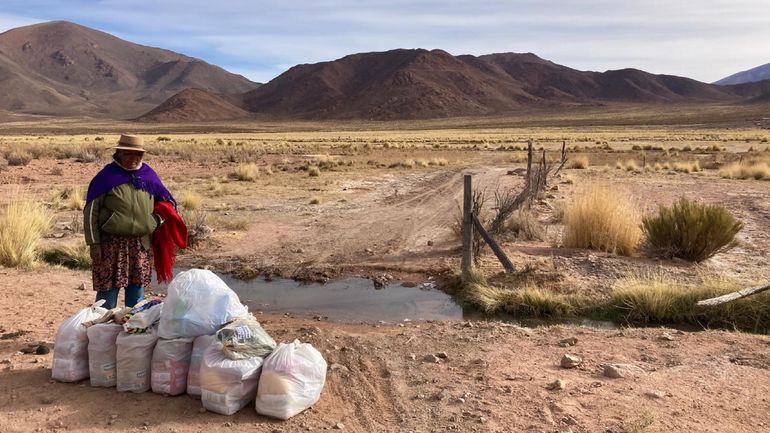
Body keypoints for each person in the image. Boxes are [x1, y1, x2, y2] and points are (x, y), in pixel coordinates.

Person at [83, 134, 177, 309]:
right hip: (110, 244)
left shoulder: (148, 176)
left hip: (140, 244)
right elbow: (90, 213)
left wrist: (155, 220)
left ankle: (133, 331)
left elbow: (168, 204)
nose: (133, 159)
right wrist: (94, 243)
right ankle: (103, 331)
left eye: (137, 155)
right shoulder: (106, 177)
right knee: (107, 293)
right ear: (118, 153)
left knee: (137, 294)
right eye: (128, 154)